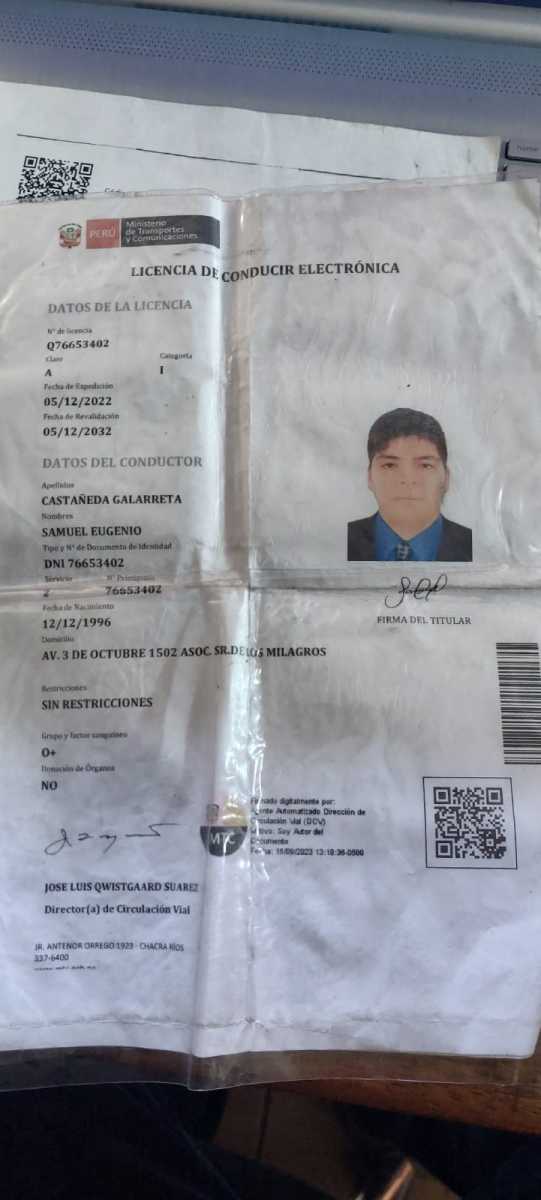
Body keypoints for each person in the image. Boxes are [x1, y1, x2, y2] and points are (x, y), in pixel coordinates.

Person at [347, 407, 472, 562]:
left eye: (425, 465)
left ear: (446, 478)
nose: (408, 479)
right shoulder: (339, 540)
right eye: (390, 465)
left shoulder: (475, 545)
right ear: (370, 477)